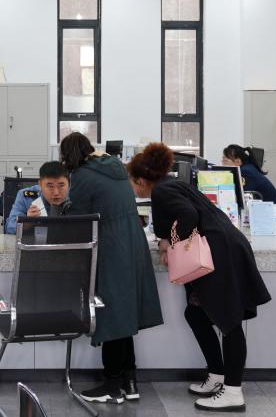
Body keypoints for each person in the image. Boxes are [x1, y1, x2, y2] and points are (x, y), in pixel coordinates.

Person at [129, 142, 271, 412]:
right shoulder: (171, 185)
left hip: (220, 252)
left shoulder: (162, 191)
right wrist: (166, 240)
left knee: (229, 321)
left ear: (141, 180)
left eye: (132, 183)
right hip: (222, 246)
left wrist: (172, 244)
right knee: (196, 314)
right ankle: (217, 374)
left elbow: (188, 214)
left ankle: (233, 391)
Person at [60, 132, 163, 405]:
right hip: (131, 241)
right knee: (123, 315)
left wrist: (61, 209)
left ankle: (112, 383)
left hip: (111, 245)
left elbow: (78, 218)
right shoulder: (115, 166)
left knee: (111, 315)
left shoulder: (82, 175)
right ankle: (129, 382)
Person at [4, 161, 73, 234]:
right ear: (40, 184)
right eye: (50, 186)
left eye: (61, 185)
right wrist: (27, 222)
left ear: (69, 184)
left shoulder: (75, 196)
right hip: (36, 240)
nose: (56, 193)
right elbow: (10, 227)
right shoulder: (25, 197)